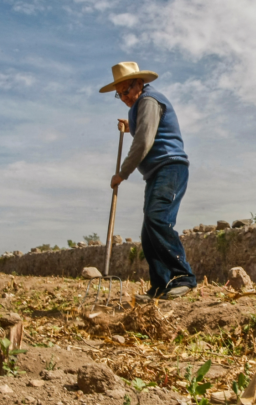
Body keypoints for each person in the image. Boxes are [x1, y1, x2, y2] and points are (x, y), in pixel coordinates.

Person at [99, 62, 197, 301]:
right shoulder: (141, 104)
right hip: (156, 172)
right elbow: (146, 127)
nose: (123, 97)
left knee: (157, 219)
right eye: (119, 94)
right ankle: (160, 286)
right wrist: (130, 125)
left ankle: (183, 277)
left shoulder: (149, 100)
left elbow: (144, 140)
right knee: (148, 230)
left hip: (170, 167)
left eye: (127, 90)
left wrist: (122, 173)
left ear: (140, 83)